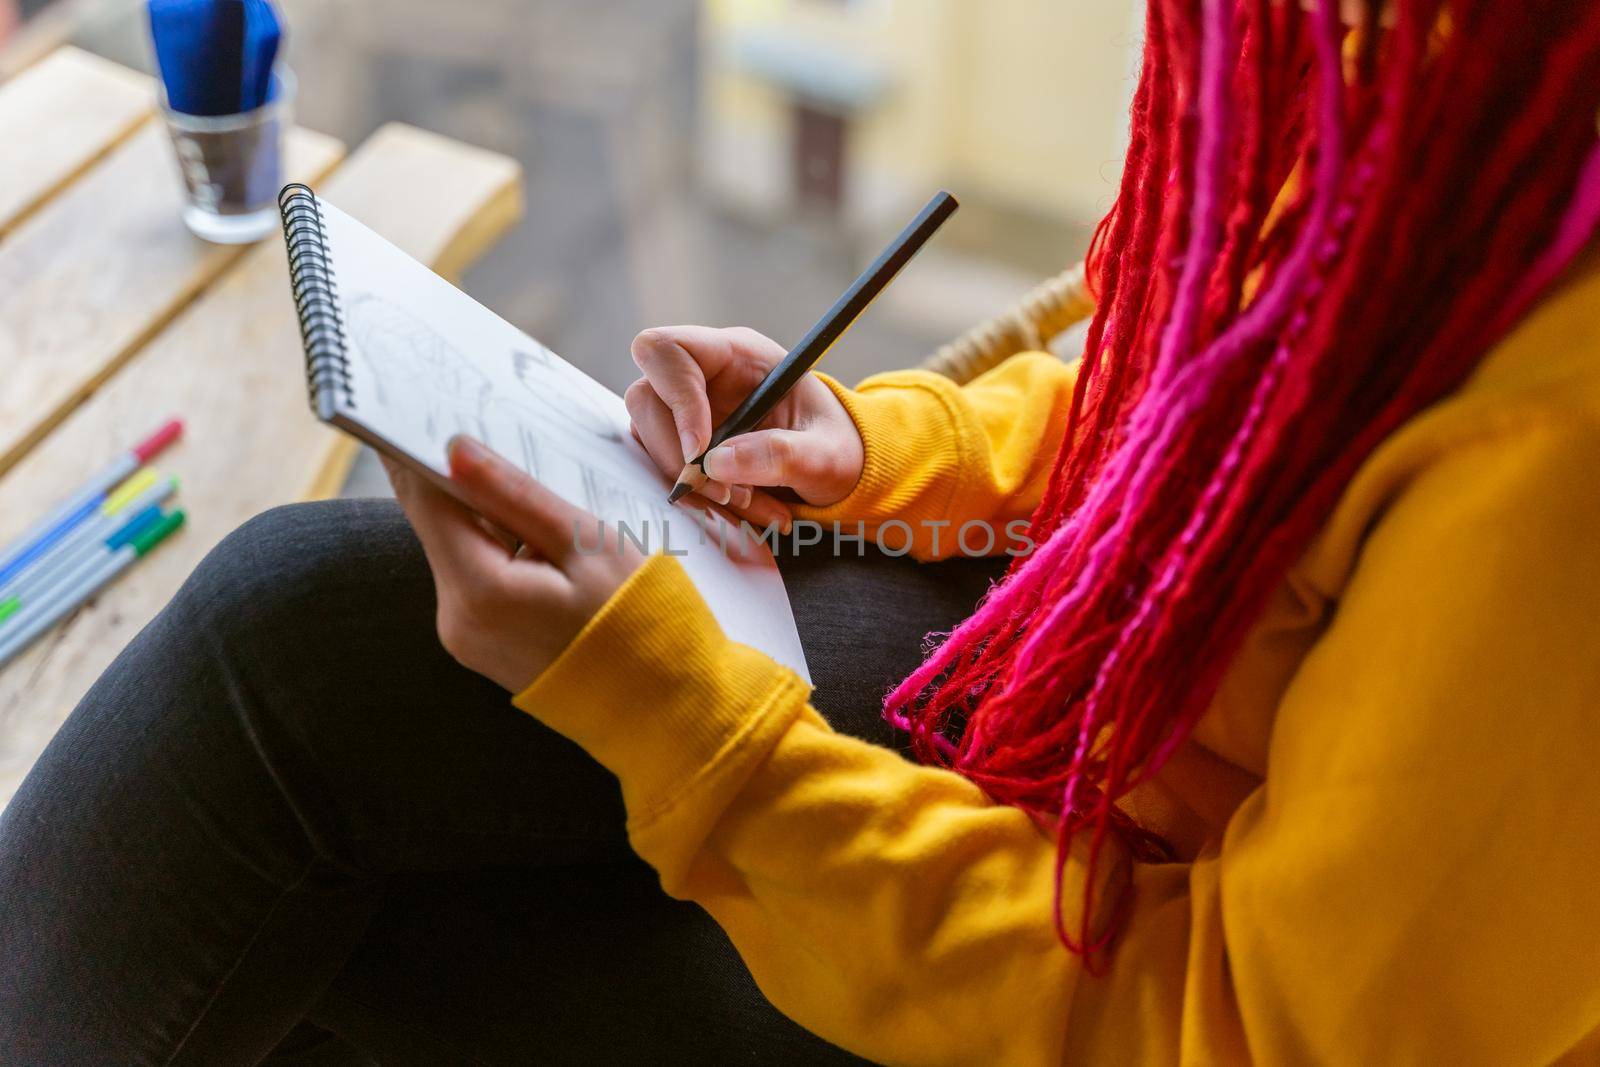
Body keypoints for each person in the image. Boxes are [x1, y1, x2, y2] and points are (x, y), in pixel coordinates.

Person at [5, 1, 1600, 1063]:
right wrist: (890, 446)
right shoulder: (1431, 67)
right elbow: (1200, 372)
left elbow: (1236, 1025)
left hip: (1140, 963)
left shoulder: (1560, 473)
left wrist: (703, 742)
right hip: (1106, 704)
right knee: (311, 653)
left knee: (351, 873)